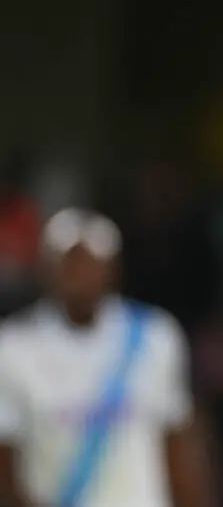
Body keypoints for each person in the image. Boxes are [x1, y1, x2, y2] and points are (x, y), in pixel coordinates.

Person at [0, 208, 209, 507]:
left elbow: (177, 442)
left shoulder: (154, 337)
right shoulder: (15, 346)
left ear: (113, 268)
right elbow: (6, 460)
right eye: (69, 261)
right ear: (46, 268)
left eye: (90, 262)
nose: (79, 273)